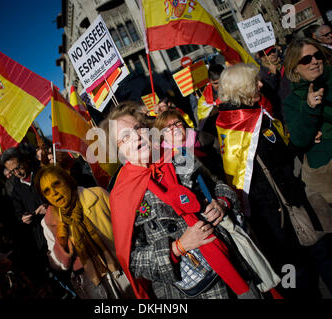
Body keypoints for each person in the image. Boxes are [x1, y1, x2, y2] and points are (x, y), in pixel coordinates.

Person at [100, 103, 270, 299]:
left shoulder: (178, 156)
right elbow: (133, 260)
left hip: (234, 264)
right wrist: (178, 247)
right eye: (125, 137)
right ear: (117, 151)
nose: (137, 137)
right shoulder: (121, 194)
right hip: (192, 289)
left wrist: (222, 203)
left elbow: (217, 186)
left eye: (138, 128)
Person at [216, 63, 332, 299]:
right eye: (254, 82)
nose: (260, 84)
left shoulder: (232, 120)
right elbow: (280, 157)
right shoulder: (246, 123)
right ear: (241, 88)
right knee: (317, 266)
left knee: (307, 271)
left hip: (276, 216)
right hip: (284, 212)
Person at [34, 165, 133, 299]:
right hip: (93, 285)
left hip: (123, 269)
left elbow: (128, 227)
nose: (54, 192)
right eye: (47, 191)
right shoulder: (49, 222)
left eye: (56, 184)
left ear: (67, 181)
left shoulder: (97, 195)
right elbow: (59, 265)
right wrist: (61, 243)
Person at [283, 38, 332, 229]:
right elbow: (299, 140)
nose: (314, 61)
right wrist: (310, 108)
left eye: (317, 55)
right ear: (294, 68)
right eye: (306, 60)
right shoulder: (293, 101)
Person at [0, 146, 49, 280]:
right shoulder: (15, 189)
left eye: (19, 167)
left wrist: (49, 206)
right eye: (13, 171)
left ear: (26, 160)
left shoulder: (43, 172)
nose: (17, 172)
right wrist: (23, 218)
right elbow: (18, 213)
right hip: (42, 236)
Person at [154, 108, 226, 184]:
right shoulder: (163, 157)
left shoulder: (201, 137)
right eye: (169, 127)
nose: (175, 128)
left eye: (177, 123)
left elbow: (224, 155)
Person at [257, 46, 291, 122]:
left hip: (295, 102)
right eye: (268, 53)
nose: (272, 54)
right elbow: (269, 92)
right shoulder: (262, 74)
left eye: (273, 51)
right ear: (263, 58)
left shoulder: (285, 64)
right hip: (282, 110)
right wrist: (273, 76)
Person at [196, 64, 224, 133]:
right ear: (210, 82)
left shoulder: (236, 86)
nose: (220, 85)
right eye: (216, 83)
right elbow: (203, 121)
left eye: (223, 81)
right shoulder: (204, 99)